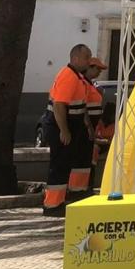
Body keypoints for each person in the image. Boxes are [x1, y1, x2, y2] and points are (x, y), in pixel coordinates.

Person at [42, 44, 93, 216]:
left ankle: (59, 200)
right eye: (86, 57)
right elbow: (59, 105)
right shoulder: (69, 76)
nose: (89, 61)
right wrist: (64, 130)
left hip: (71, 126)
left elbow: (79, 106)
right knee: (59, 165)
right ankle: (52, 205)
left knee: (64, 165)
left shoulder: (77, 77)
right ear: (75, 58)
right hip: (60, 127)